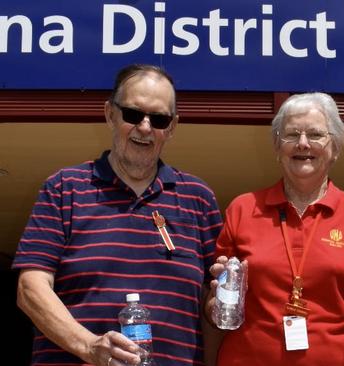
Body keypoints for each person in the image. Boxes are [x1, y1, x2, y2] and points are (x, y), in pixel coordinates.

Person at [12, 64, 222, 366]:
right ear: (110, 113)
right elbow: (30, 288)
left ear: (173, 127)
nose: (146, 127)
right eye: (133, 114)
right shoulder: (64, 188)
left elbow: (211, 308)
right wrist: (89, 347)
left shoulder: (198, 199)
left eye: (159, 119)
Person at [205, 92, 344, 365]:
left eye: (315, 135)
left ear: (334, 147)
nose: (302, 144)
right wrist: (214, 304)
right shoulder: (242, 209)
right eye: (291, 135)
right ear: (277, 147)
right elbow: (214, 310)